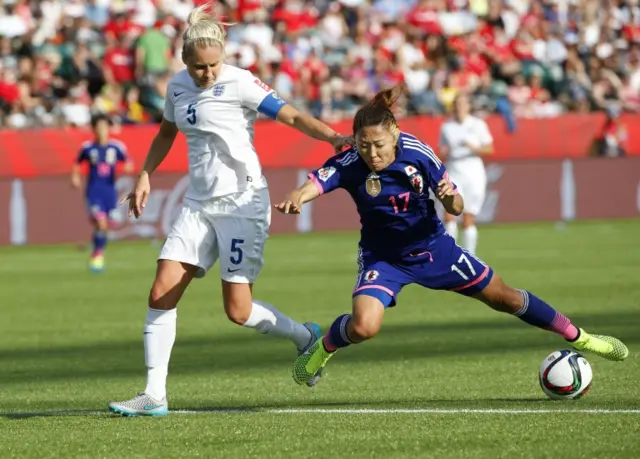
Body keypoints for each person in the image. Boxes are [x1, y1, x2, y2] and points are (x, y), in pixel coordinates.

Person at [275, 87, 629, 387]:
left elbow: (456, 205)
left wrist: (448, 198)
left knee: (504, 297)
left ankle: (582, 338)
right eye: (365, 145)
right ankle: (322, 348)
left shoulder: (419, 154)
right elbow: (316, 183)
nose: (372, 153)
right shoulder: (351, 160)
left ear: (395, 134)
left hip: (434, 248)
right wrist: (297, 197)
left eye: (378, 145)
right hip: (383, 258)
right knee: (365, 326)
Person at [107, 5, 352, 417]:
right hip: (198, 206)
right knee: (160, 291)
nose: (208, 73)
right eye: (199, 67)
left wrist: (332, 137)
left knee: (238, 311)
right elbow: (167, 132)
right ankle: (154, 395)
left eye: (214, 64)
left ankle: (305, 337)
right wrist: (146, 172)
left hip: (243, 203)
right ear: (184, 60)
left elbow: (289, 113)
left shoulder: (240, 82)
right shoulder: (177, 87)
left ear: (223, 56)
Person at [71, 114, 132, 272]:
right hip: (94, 191)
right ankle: (97, 255)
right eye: (98, 127)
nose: (101, 131)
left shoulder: (117, 147)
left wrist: (127, 168)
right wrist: (75, 177)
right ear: (93, 129)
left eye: (104, 127)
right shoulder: (87, 148)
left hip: (110, 192)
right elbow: (77, 163)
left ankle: (97, 249)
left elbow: (128, 162)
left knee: (105, 226)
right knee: (101, 223)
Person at [439, 93, 493, 254]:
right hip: (454, 170)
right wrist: (444, 152)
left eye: (462, 104)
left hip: (473, 173)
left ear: (468, 106)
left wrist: (474, 148)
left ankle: (470, 256)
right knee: (449, 214)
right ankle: (450, 255)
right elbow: (442, 151)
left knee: (468, 218)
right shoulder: (446, 126)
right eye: (456, 104)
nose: (459, 107)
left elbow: (490, 149)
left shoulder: (478, 125)